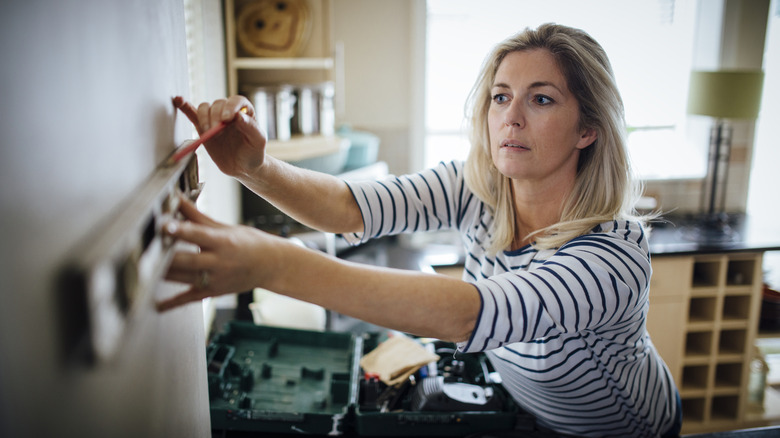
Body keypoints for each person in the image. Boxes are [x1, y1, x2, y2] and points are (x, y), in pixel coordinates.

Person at [160, 23, 681, 437]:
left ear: (588, 128)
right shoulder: (480, 185)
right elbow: (351, 207)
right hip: (525, 407)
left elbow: (468, 315)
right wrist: (255, 167)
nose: (511, 117)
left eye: (541, 99)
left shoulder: (611, 255)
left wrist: (271, 262)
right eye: (501, 96)